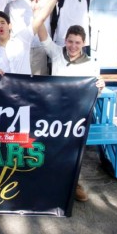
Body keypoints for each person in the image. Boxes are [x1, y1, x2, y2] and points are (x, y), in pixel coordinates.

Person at [39, 24, 105, 202]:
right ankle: (49, 183)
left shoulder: (92, 65)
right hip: (54, 113)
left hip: (77, 116)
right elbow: (41, 32)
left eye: (77, 42)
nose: (73, 46)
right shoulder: (56, 53)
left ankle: (74, 184)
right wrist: (39, 9)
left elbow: (95, 92)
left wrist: (100, 86)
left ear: (83, 44)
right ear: (65, 40)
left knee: (73, 152)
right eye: (70, 41)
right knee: (50, 149)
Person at [0, 0, 66, 75]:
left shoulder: (22, 39)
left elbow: (41, 18)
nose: (0, 26)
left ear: (10, 26)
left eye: (3, 23)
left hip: (24, 89)